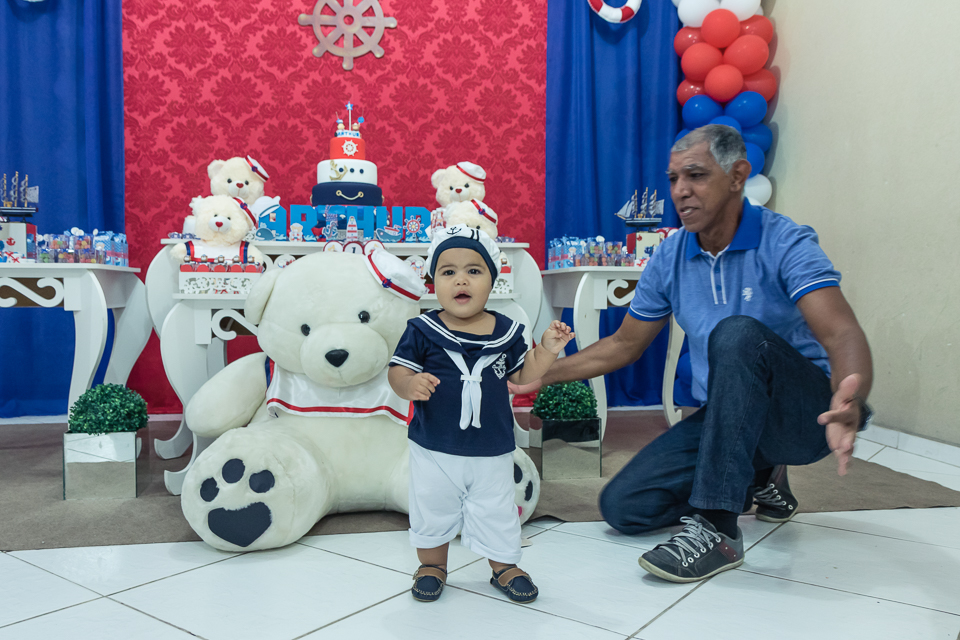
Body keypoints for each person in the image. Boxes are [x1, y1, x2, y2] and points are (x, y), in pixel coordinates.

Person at [535, 124, 873, 583]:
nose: (680, 191)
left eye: (695, 176)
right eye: (673, 179)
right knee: (625, 507)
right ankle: (760, 477)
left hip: (803, 416)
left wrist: (849, 400)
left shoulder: (785, 241)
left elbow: (842, 333)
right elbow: (624, 344)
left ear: (737, 176)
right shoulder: (669, 256)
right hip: (729, 418)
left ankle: (718, 530)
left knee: (736, 334)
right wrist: (541, 375)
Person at [388, 225, 574, 602]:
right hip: (435, 445)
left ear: (493, 280)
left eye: (474, 271)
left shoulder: (509, 331)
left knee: (497, 509)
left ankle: (503, 565)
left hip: (491, 445)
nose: (461, 279)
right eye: (448, 271)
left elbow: (523, 375)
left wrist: (547, 351)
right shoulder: (421, 330)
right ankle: (432, 565)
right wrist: (409, 386)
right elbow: (397, 371)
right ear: (432, 282)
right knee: (432, 506)